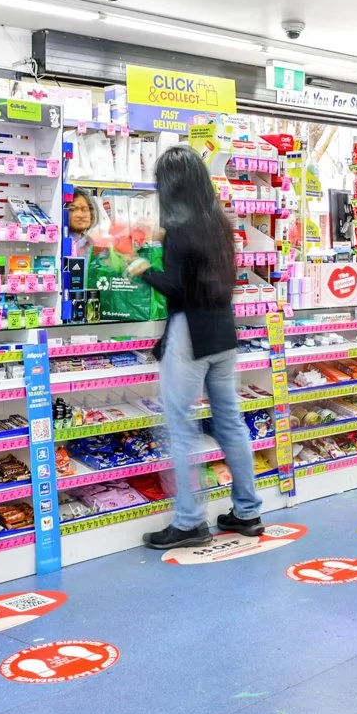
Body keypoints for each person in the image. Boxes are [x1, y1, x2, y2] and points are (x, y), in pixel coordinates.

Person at [123, 146, 264, 550]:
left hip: (190, 333)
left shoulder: (179, 227)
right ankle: (247, 511)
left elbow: (176, 290)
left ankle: (189, 522)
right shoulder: (218, 222)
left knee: (180, 428)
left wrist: (138, 265)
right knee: (230, 423)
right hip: (223, 330)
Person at [66, 189, 97, 259]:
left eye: (85, 209)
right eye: (73, 209)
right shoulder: (61, 242)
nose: (80, 215)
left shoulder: (91, 242)